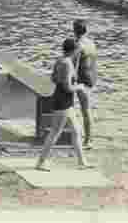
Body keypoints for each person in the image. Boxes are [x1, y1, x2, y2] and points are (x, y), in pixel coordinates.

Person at [35, 37, 92, 171]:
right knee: (55, 132)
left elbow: (53, 78)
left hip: (63, 99)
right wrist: (79, 87)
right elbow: (67, 87)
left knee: (77, 130)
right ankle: (41, 162)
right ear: (73, 50)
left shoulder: (60, 60)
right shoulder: (67, 63)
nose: (79, 51)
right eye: (77, 49)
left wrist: (69, 80)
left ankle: (82, 162)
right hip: (64, 101)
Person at [73, 20, 98, 147]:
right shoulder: (91, 43)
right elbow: (93, 62)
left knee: (83, 110)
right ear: (86, 30)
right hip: (91, 78)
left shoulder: (78, 45)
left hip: (81, 80)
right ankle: (88, 138)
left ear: (74, 31)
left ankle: (87, 140)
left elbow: (74, 66)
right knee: (86, 109)